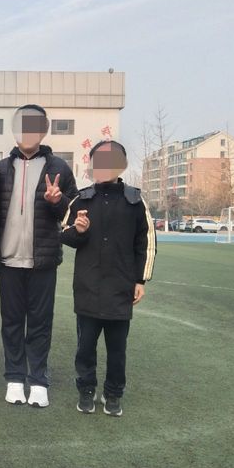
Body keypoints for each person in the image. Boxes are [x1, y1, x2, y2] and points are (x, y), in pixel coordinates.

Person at [61, 140, 156, 417]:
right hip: (88, 288)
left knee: (117, 350)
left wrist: (140, 280)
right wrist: (79, 231)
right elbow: (64, 233)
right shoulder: (81, 199)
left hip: (120, 289)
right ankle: (86, 390)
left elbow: (146, 242)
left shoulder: (135, 201)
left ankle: (113, 394)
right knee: (85, 348)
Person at [0, 104, 78, 407]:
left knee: (40, 322)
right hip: (8, 260)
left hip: (42, 260)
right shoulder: (0, 169)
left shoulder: (59, 168)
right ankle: (15, 378)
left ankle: (38, 379)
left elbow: (73, 213)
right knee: (12, 322)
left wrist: (58, 201)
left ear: (44, 130)